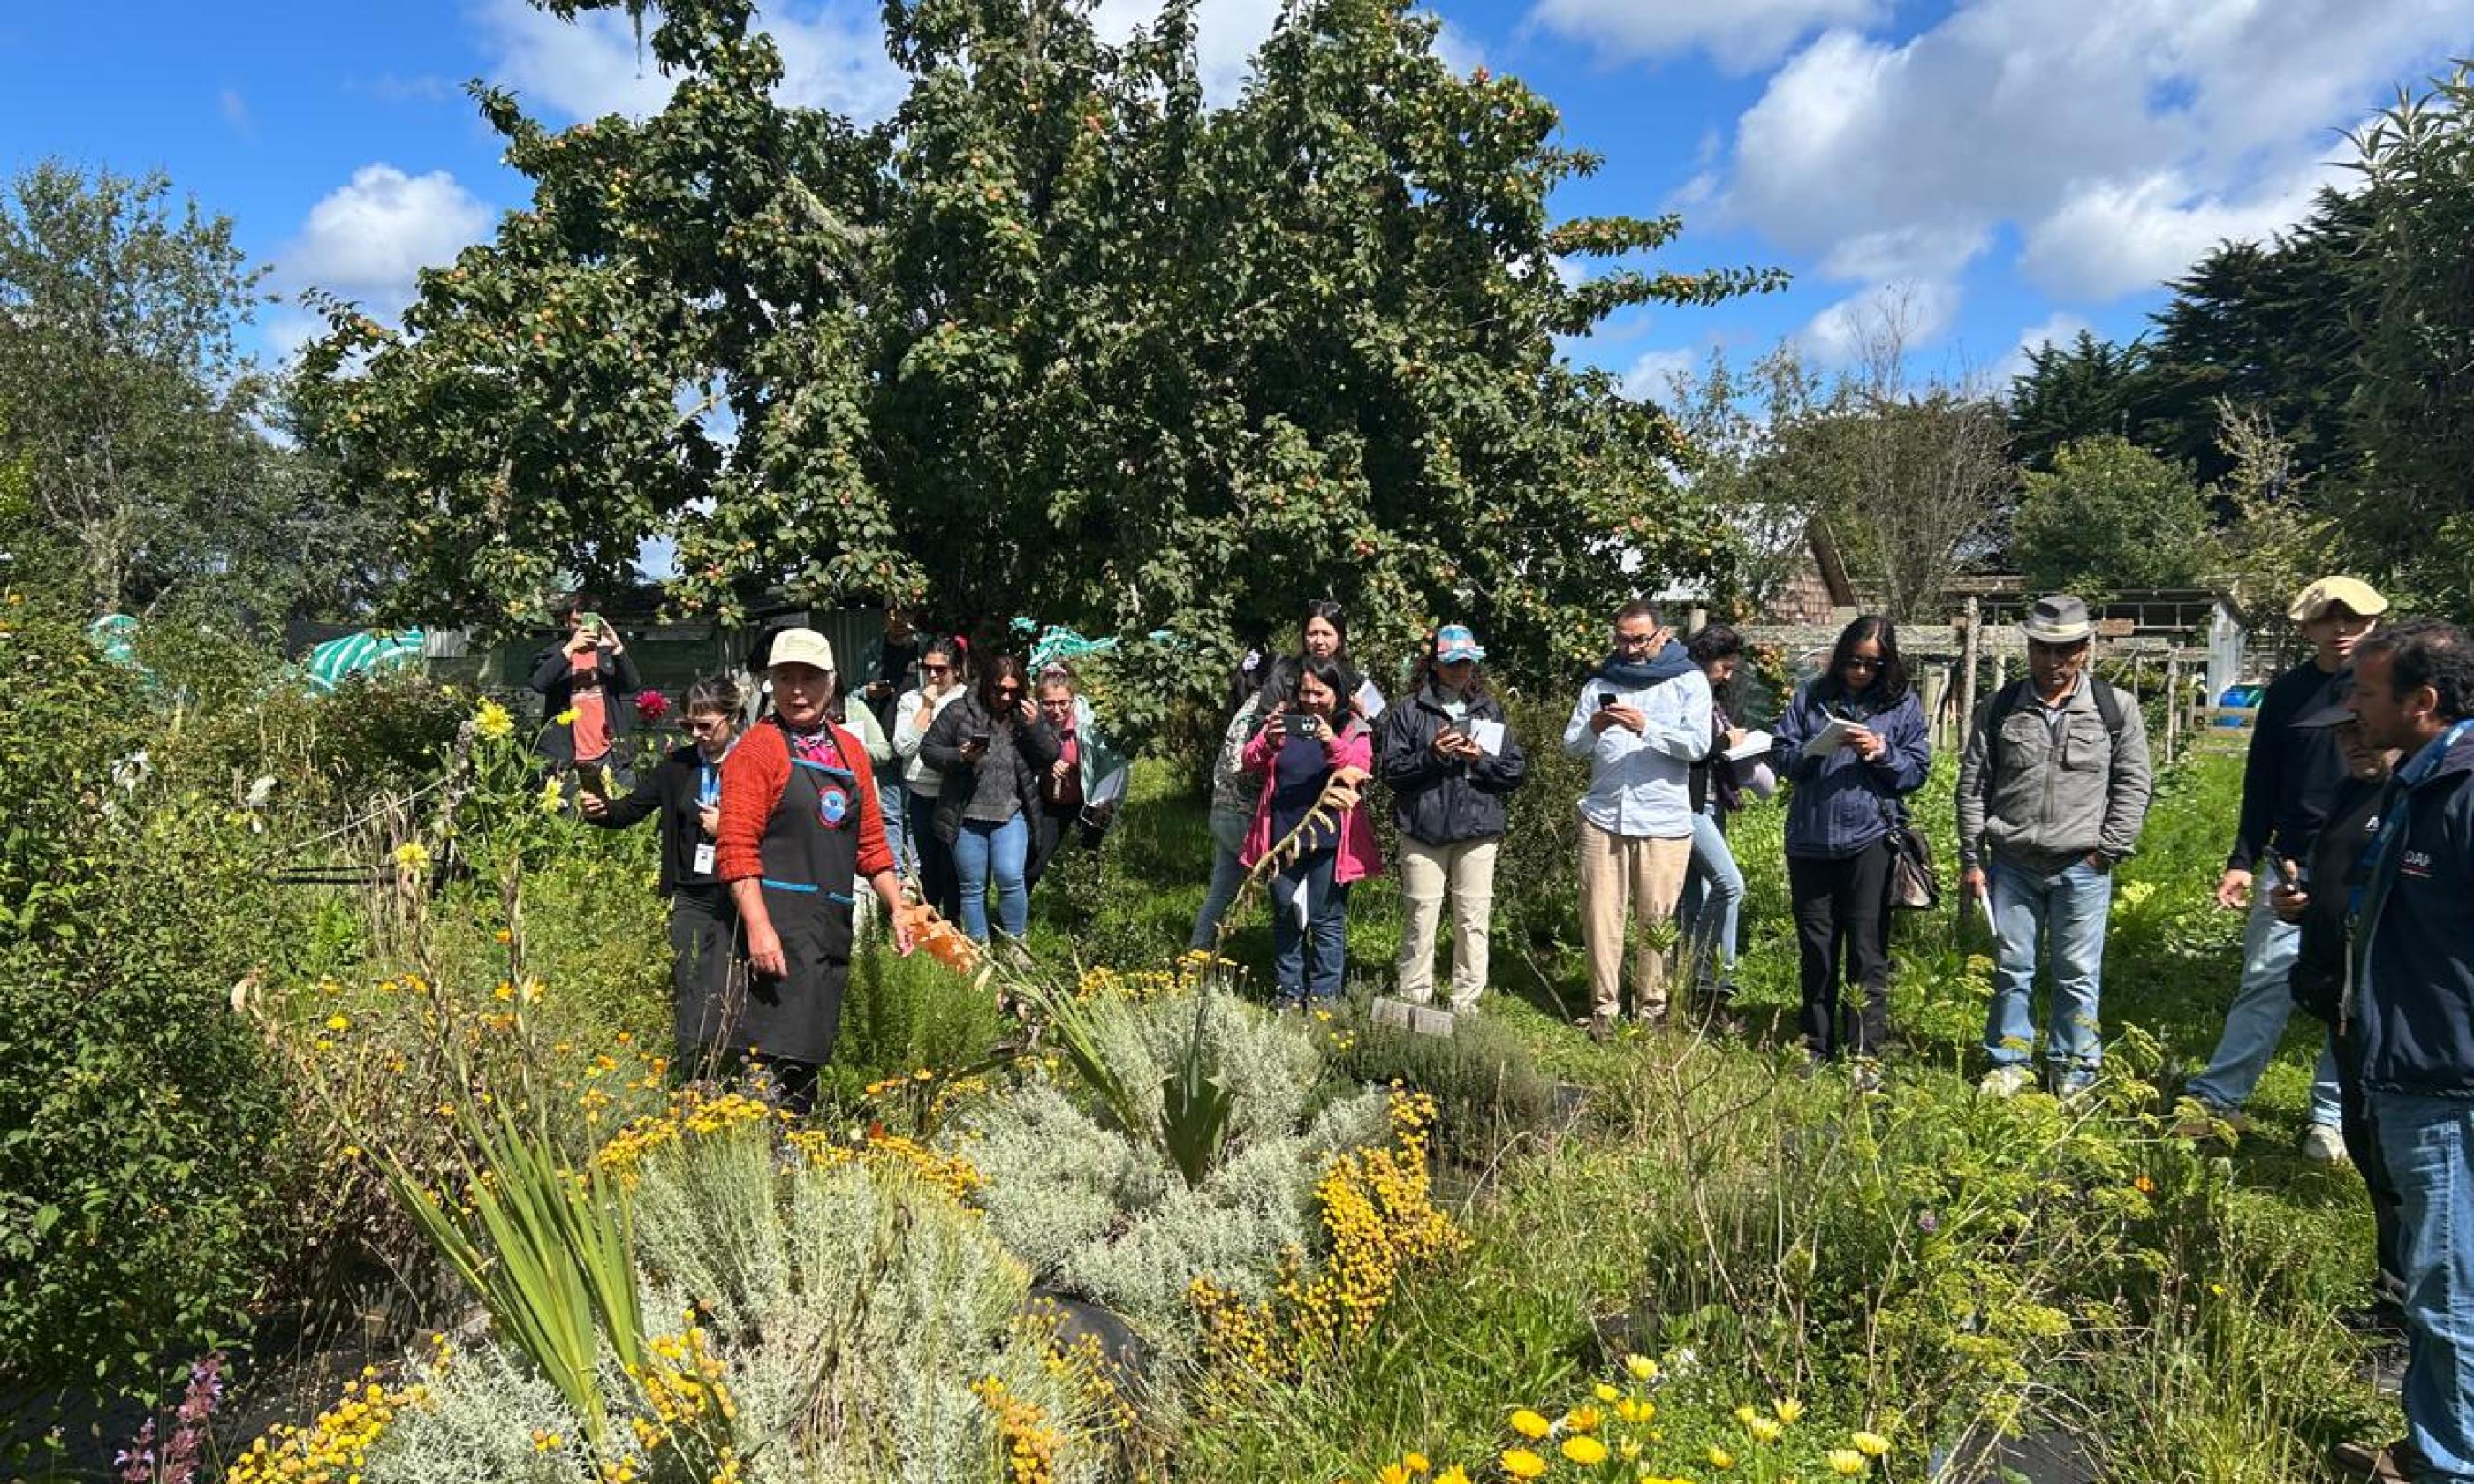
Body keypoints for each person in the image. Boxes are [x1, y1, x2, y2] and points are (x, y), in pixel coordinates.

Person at [2335, 620, 2474, 1481]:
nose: (2353, 705)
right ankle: (2429, 1447)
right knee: (2437, 1275)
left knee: (2444, 1282)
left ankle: (2449, 1466)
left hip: (2445, 1078)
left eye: (2367, 691)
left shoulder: (2461, 796)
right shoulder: (2418, 784)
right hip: (2412, 1064)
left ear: (2421, 702)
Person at [2185, 575, 2389, 1158]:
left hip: (2369, 856)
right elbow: (2262, 783)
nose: (2342, 629)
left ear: (2373, 622)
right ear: (2307, 627)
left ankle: (2330, 1117)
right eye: (2328, 618)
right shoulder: (2287, 694)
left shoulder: (2387, 690)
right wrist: (2243, 858)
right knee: (2266, 980)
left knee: (2351, 993)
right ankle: (2219, 1097)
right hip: (2294, 860)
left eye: (2353, 617)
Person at [1956, 595, 2155, 1097]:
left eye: (2065, 651)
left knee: (2078, 972)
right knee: (2012, 965)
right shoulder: (2000, 707)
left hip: (2083, 865)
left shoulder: (2114, 709)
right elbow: (1973, 785)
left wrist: (2106, 851)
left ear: (2086, 650)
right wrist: (1971, 857)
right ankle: (2009, 1061)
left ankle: (2074, 1068)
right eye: (2043, 649)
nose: (2052, 662)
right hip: (2014, 863)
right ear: (2030, 647)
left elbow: (2134, 786)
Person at [2273, 702, 2409, 1404]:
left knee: (2406, 1174)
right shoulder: (2356, 794)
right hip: (2346, 1008)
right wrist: (2301, 902)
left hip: (2401, 1024)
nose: (2352, 744)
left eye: (2362, 729)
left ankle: (2413, 1336)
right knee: (2371, 1155)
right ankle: (2394, 1303)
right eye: (2341, 735)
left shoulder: (2421, 801)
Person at [713, 629, 910, 1113]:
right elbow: (735, 850)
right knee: (771, 1053)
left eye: (809, 678)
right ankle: (767, 1158)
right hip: (776, 926)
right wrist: (759, 929)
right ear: (769, 684)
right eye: (785, 678)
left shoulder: (849, 750)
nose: (797, 690)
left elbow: (871, 846)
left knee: (810, 1050)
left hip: (828, 925)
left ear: (831, 683)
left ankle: (801, 1153)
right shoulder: (757, 751)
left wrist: (898, 907)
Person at [1770, 615, 1932, 1076]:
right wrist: (1812, 750)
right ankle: (1815, 1046)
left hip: (1870, 840)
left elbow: (1917, 771)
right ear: (1840, 658)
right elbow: (1782, 756)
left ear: (1888, 666)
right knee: (1816, 948)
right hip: (1810, 839)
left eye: (1873, 665)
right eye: (1854, 662)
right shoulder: (1811, 697)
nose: (1861, 672)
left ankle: (1865, 1052)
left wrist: (1881, 752)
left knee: (1867, 949)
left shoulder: (1901, 705)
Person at [579, 677, 746, 1070]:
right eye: (688, 726)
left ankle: (731, 1068)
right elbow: (632, 808)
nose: (698, 735)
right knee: (688, 980)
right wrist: (601, 809)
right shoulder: (678, 765)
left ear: (733, 718)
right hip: (690, 890)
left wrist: (730, 827)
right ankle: (691, 1072)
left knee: (727, 982)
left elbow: (779, 826)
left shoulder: (751, 763)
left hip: (736, 890)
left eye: (707, 726)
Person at [1562, 601, 1709, 1041]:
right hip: (1603, 814)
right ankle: (1604, 1008)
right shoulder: (1601, 682)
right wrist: (1597, 727)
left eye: (1637, 639)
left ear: (1662, 635)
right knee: (1600, 915)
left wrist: (1647, 727)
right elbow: (1572, 745)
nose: (1627, 648)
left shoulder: (1688, 681)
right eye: (1621, 638)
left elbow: (1699, 745)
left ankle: (1652, 1010)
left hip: (1661, 819)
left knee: (1656, 919)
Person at [1377, 625, 1528, 1016]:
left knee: (1473, 920)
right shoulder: (1409, 711)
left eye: (1468, 662)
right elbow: (1391, 772)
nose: (1461, 670)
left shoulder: (1489, 710)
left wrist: (1481, 759)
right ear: (1433, 664)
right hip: (1422, 829)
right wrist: (1432, 754)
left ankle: (1466, 1006)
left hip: (1478, 829)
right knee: (1420, 916)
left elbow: (1513, 772)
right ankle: (1413, 1000)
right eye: (1453, 663)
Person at [1241, 655, 1381, 1007]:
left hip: (1331, 840)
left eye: (1320, 693)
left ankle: (1324, 1000)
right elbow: (1248, 761)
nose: (1312, 700)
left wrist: (1328, 740)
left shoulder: (1353, 727)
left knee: (1326, 921)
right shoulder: (1285, 720)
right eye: (1306, 692)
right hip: (1284, 837)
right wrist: (1269, 742)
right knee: (1286, 915)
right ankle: (1288, 994)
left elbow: (1358, 768)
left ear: (1337, 694)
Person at [920, 655, 1061, 942]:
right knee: (972, 886)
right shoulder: (959, 711)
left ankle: (1016, 946)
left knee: (1010, 877)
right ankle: (979, 951)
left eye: (1012, 690)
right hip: (967, 815)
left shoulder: (1025, 715)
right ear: (986, 684)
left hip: (1010, 812)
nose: (1005, 697)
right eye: (999, 690)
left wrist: (1036, 727)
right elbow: (929, 750)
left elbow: (1049, 755)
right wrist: (960, 756)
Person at [1193, 657, 1289, 950]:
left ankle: (1197, 956)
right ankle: (1287, 961)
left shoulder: (1248, 706)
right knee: (1285, 890)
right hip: (1245, 814)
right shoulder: (1266, 713)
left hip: (1224, 808)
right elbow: (1248, 767)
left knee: (1221, 890)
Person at [1681, 625, 1753, 1004]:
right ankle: (1706, 968)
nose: (1727, 675)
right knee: (1730, 884)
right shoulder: (1684, 691)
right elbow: (1690, 747)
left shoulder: (1714, 697)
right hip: (1688, 804)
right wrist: (1725, 742)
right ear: (1705, 659)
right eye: (1723, 667)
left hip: (1712, 800)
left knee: (1698, 893)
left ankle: (1702, 978)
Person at [1025, 668, 1129, 892]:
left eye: (1064, 702)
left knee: (1088, 858)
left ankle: (1085, 915)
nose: (1057, 710)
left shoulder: (1090, 726)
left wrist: (1105, 803)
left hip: (1088, 800)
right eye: (1049, 704)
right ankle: (1013, 919)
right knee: (1033, 864)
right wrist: (1046, 768)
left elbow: (1116, 763)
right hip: (1049, 803)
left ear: (1073, 699)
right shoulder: (1032, 725)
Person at [891, 639, 967, 912]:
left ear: (956, 669)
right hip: (920, 792)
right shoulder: (911, 700)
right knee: (928, 862)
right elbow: (902, 746)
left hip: (954, 793)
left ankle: (955, 920)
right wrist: (926, 708)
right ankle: (931, 920)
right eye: (928, 668)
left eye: (941, 669)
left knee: (952, 864)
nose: (933, 676)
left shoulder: (966, 700)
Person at [530, 595, 641, 779]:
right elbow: (538, 684)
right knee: (569, 807)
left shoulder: (607, 653)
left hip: (608, 754)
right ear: (566, 622)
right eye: (576, 622)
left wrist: (617, 648)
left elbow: (632, 686)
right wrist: (570, 649)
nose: (582, 628)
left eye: (587, 622)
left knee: (613, 806)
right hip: (566, 756)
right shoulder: (553, 654)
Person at [859, 608, 927, 868]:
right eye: (892, 614)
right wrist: (868, 691)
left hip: (917, 743)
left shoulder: (925, 650)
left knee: (915, 814)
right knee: (890, 814)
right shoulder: (873, 652)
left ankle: (919, 877)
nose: (899, 621)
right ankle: (896, 875)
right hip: (884, 743)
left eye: (906, 614)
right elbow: (852, 692)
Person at [1300, 599, 1387, 720]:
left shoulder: (1356, 684)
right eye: (1313, 634)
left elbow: (1385, 730)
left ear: (1340, 639)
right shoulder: (1286, 677)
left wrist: (1365, 716)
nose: (1319, 641)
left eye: (1326, 634)